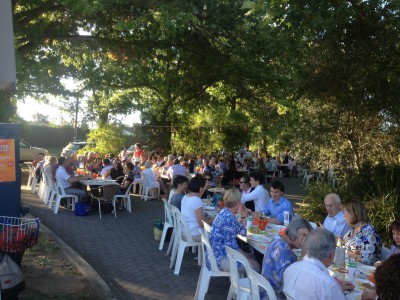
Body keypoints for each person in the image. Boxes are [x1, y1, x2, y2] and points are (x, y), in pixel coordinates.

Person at [283, 228, 355, 300]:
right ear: (331, 255)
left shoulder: (290, 269)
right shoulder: (328, 284)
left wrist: (337, 288)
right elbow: (323, 287)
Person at [261, 219, 313, 299]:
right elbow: (290, 280)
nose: (305, 240)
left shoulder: (277, 238)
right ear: (293, 232)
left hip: (266, 290)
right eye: (302, 235)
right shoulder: (284, 249)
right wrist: (304, 253)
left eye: (307, 237)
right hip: (275, 296)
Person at [210, 189, 259, 272]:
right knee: (256, 266)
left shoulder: (224, 212)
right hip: (222, 259)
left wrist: (243, 215)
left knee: (252, 257)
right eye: (240, 201)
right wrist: (245, 258)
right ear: (237, 202)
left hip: (216, 254)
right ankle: (245, 284)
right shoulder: (229, 218)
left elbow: (239, 230)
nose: (241, 203)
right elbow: (232, 247)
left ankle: (241, 282)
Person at [342, 201, 382, 266]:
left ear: (353, 213)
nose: (343, 216)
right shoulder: (351, 231)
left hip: (364, 273)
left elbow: (368, 260)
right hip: (349, 269)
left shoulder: (369, 232)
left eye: (344, 212)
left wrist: (347, 254)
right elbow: (342, 248)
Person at [180, 176, 213, 242]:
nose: (205, 188)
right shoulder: (197, 200)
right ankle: (210, 252)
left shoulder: (185, 196)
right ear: (200, 188)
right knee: (218, 233)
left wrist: (207, 219)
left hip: (184, 232)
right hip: (194, 234)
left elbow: (192, 217)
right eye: (204, 186)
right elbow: (202, 224)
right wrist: (213, 220)